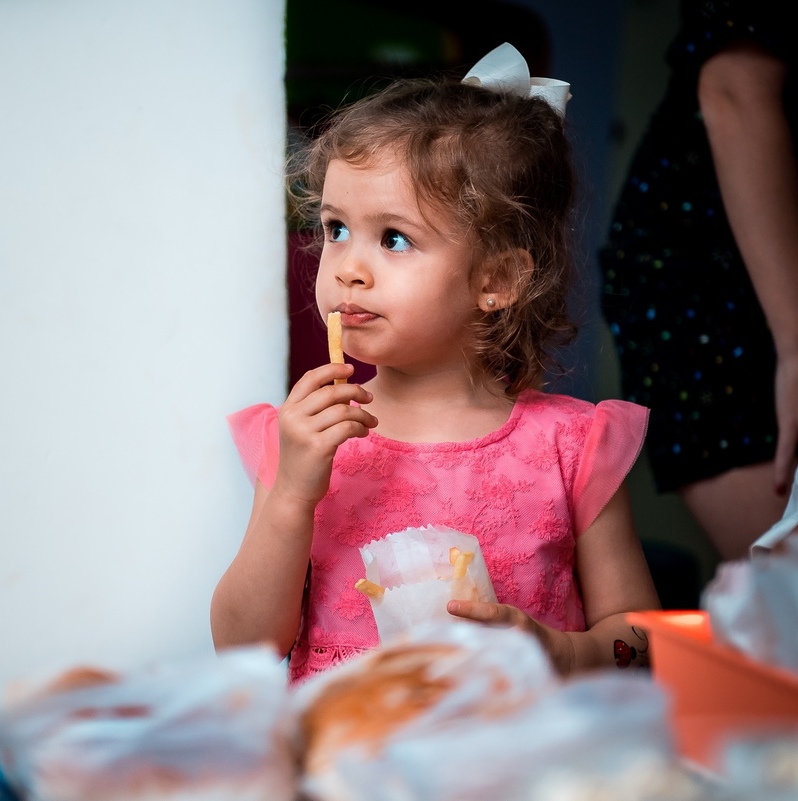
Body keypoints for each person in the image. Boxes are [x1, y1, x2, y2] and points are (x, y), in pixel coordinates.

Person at [210, 43, 661, 685]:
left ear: (496, 280)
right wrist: (290, 496)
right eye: (336, 228)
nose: (348, 268)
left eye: (394, 238)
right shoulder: (301, 440)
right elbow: (242, 647)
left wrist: (562, 653)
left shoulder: (573, 448)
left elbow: (645, 643)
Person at [599, 0, 798, 563]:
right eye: (333, 227)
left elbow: (624, 631)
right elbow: (735, 85)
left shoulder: (564, 441)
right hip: (713, 277)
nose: (349, 269)